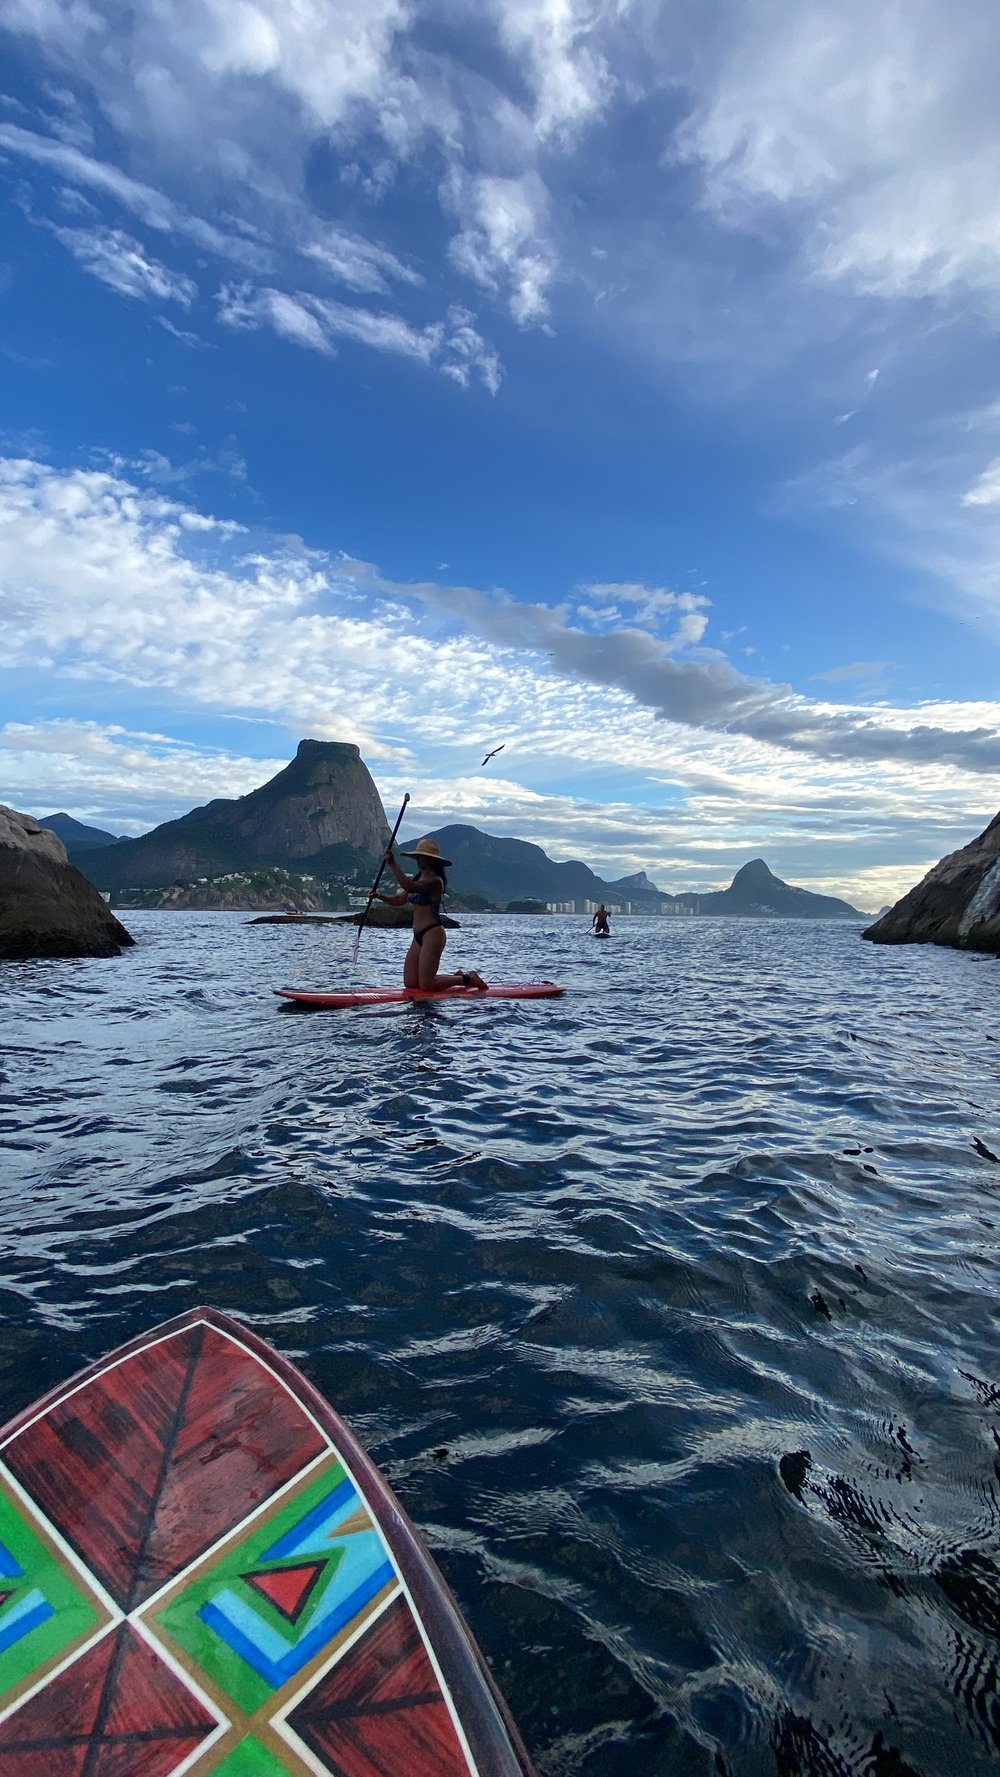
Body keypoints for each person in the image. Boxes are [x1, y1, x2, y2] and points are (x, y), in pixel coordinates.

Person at [377, 837, 488, 991]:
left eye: (421, 857)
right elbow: (400, 899)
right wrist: (379, 896)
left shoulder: (435, 881)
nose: (418, 859)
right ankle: (456, 977)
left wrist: (392, 863)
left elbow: (409, 887)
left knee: (426, 985)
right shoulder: (418, 878)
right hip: (417, 936)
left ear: (430, 860)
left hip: (432, 934)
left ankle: (468, 978)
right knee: (411, 982)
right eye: (417, 856)